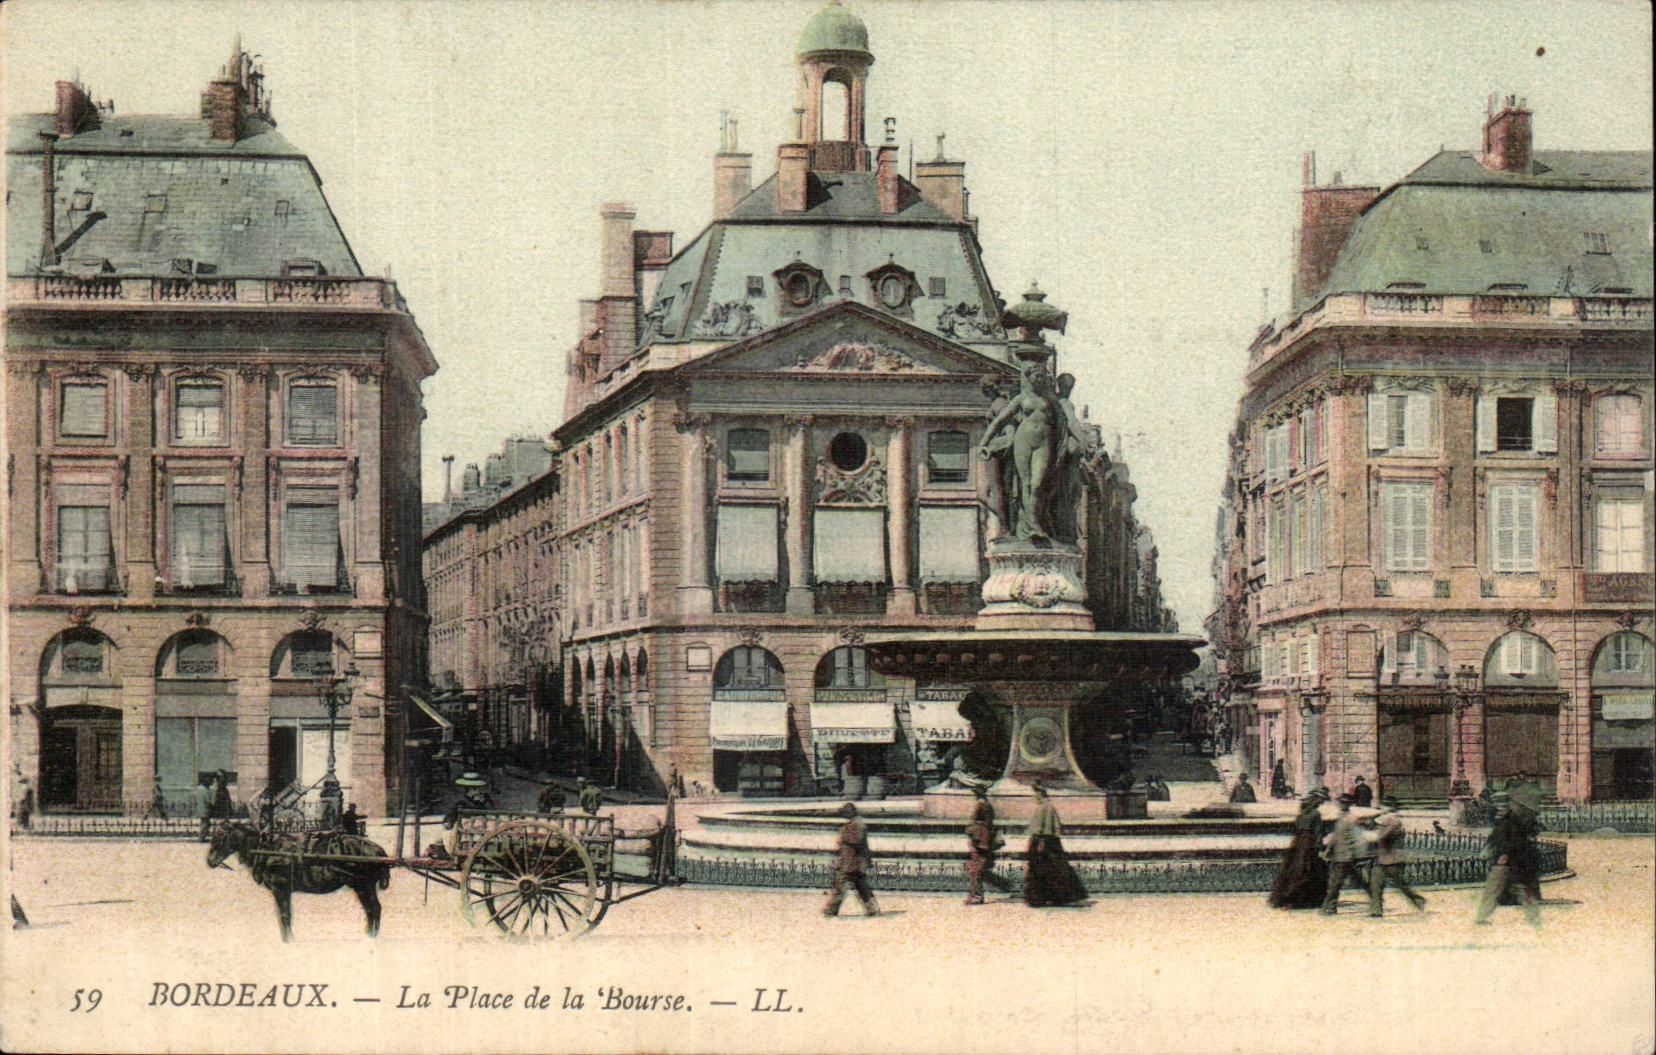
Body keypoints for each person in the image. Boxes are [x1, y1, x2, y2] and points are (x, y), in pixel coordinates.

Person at [1474, 795, 1542, 928]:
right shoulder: (1507, 820)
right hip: (1510, 861)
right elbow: (1497, 836)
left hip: (1512, 861)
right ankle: (1481, 917)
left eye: (1506, 803)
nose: (1503, 806)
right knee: (1497, 890)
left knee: (1521, 890)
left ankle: (1534, 919)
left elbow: (1514, 839)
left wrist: (1504, 853)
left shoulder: (1517, 819)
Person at [1023, 783, 1088, 907]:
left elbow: (1048, 828)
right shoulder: (1041, 807)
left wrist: (1042, 843)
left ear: (1040, 794)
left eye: (1035, 793)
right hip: (1039, 841)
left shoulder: (1047, 807)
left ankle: (1051, 897)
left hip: (1045, 843)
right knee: (1040, 870)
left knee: (1049, 870)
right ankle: (1042, 897)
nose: (1033, 796)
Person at [1269, 789, 1330, 909]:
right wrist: (1320, 848)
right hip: (1309, 845)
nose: (1321, 803)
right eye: (1321, 801)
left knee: (1293, 870)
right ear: (1316, 801)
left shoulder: (1301, 814)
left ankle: (1288, 899)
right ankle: (1309, 900)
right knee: (1313, 871)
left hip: (1298, 844)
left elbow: (1297, 829)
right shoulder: (1316, 814)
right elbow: (1318, 833)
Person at [1368, 797, 1426, 916]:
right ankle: (1376, 910)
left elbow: (1382, 835)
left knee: (1400, 884)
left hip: (1393, 859)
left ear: (1391, 808)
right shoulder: (1384, 820)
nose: (1382, 809)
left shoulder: (1394, 821)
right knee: (1375, 883)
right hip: (1382, 858)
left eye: (1385, 806)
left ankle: (1417, 899)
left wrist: (1369, 835)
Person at [1320, 794, 1375, 916]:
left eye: (1344, 803)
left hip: (1346, 857)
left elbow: (1357, 838)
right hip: (1340, 856)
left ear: (1349, 805)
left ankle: (1328, 908)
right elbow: (1335, 836)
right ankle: (1375, 899)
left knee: (1335, 883)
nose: (1342, 805)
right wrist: (1327, 850)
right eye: (1341, 803)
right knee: (1358, 881)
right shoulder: (1341, 818)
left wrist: (1358, 854)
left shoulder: (1351, 819)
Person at [823, 802, 879, 917]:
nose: (844, 815)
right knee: (861, 887)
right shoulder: (855, 823)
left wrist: (843, 836)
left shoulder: (857, 824)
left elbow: (857, 840)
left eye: (845, 812)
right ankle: (873, 909)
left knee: (840, 884)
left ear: (851, 812)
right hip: (854, 861)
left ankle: (831, 910)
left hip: (852, 862)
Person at [964, 786, 1010, 905]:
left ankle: (978, 896)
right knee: (980, 870)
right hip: (979, 840)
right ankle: (1006, 886)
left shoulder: (983, 806)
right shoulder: (982, 805)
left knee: (977, 869)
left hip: (981, 841)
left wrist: (981, 842)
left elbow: (986, 825)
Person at [194, 775, 212, 841]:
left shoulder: (198, 789)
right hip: (205, 809)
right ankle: (201, 837)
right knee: (205, 824)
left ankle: (203, 836)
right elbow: (208, 800)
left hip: (199, 808)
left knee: (204, 823)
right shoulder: (205, 790)